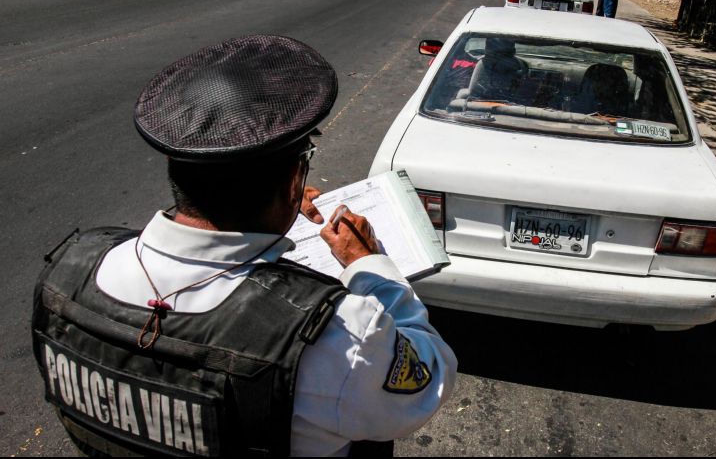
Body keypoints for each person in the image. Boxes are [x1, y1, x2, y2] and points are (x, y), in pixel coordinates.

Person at [32, 35, 457, 457]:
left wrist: (281, 200)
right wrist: (368, 264)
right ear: (295, 177)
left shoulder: (69, 272)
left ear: (172, 159)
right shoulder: (340, 337)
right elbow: (429, 378)